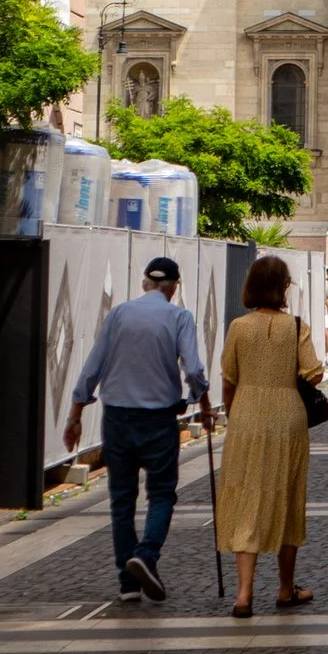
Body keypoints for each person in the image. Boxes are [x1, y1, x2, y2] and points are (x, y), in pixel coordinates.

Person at [66, 253, 201, 604]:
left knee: (122, 500)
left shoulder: (119, 314)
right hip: (158, 419)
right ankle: (146, 554)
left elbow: (93, 365)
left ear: (144, 283)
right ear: (173, 288)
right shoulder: (179, 316)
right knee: (161, 494)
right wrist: (200, 398)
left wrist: (75, 413)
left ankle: (127, 583)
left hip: (118, 417)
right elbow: (194, 368)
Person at [216, 253, 325, 617]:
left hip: (246, 414)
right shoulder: (296, 326)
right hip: (287, 418)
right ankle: (284, 589)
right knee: (287, 496)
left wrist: (234, 414)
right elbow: (314, 373)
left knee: (245, 494)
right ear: (283, 288)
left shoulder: (238, 327)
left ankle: (243, 595)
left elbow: (228, 379)